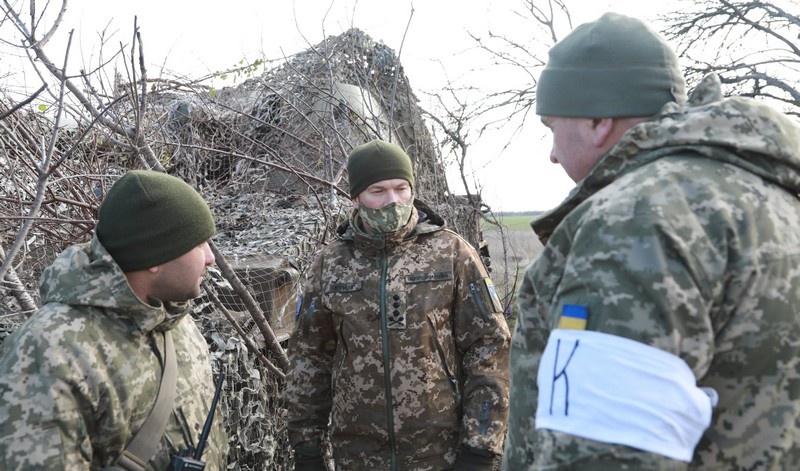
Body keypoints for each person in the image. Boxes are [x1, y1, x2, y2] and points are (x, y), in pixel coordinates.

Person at [502, 11, 800, 470]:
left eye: (552, 127)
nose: (553, 153)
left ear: (599, 120)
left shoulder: (634, 219)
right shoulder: (772, 198)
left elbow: (605, 456)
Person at [285, 139, 511, 470]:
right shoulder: (330, 264)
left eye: (401, 188)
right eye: (378, 191)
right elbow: (309, 358)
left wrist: (480, 447)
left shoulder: (451, 254)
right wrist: (306, 448)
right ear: (356, 197)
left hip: (441, 454)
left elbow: (489, 348)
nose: (392, 200)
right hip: (358, 454)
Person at [0, 170, 228, 469]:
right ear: (154, 257)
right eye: (198, 244)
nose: (211, 257)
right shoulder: (48, 355)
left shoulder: (173, 318)